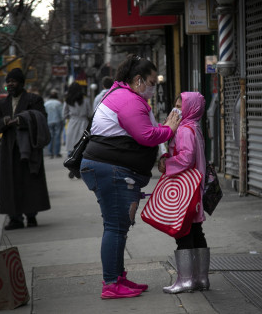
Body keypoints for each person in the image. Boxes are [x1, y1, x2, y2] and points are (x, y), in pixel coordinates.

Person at [80, 54, 181, 299]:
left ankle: (118, 277)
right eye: (151, 81)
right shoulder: (127, 99)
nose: (154, 87)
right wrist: (170, 129)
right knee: (115, 227)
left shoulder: (122, 95)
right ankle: (111, 284)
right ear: (138, 80)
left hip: (110, 169)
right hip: (111, 170)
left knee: (119, 226)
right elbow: (145, 135)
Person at [158, 92, 209, 294]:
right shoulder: (194, 127)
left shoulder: (185, 130)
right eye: (176, 104)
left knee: (183, 232)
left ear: (192, 109)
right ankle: (201, 278)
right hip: (195, 187)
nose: (177, 109)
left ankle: (186, 280)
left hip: (184, 188)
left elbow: (186, 158)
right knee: (196, 231)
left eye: (181, 106)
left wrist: (167, 163)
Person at [0, 68, 51, 230]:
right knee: (10, 184)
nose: (10, 84)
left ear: (22, 83)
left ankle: (31, 216)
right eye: (8, 81)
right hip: (9, 150)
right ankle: (14, 218)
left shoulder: (34, 99)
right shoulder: (1, 103)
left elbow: (41, 119)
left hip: (28, 148)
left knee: (30, 182)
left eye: (13, 81)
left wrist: (20, 121)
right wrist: (4, 122)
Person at [63, 82, 92, 178]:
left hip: (72, 123)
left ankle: (71, 165)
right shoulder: (86, 100)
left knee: (71, 147)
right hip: (83, 123)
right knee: (82, 146)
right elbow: (90, 113)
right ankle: (80, 167)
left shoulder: (67, 100)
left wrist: (71, 117)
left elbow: (64, 114)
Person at [44, 89, 64, 158]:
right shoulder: (58, 103)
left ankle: (50, 152)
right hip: (57, 121)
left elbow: (44, 113)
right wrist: (62, 121)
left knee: (50, 137)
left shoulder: (46, 103)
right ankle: (57, 153)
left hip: (49, 121)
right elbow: (62, 113)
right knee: (57, 137)